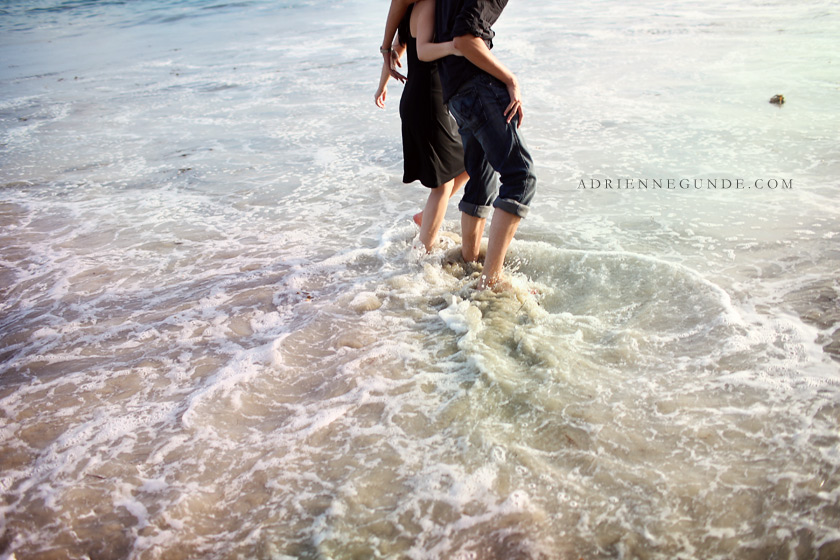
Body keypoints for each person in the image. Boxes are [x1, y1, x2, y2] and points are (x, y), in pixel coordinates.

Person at [433, 0, 537, 290]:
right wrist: (510, 78)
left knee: (482, 178)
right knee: (521, 177)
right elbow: (465, 40)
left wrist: (388, 48)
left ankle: (470, 262)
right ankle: (491, 280)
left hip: (455, 92)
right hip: (477, 87)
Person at [375, 0, 469, 253]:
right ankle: (424, 250)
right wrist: (457, 47)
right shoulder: (429, 4)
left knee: (472, 158)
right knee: (443, 183)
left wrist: (382, 84)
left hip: (424, 100)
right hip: (429, 101)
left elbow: (397, 48)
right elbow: (423, 51)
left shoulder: (412, 9)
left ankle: (424, 216)